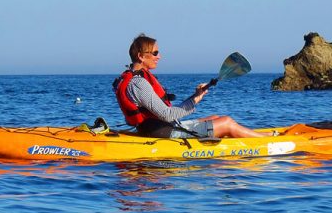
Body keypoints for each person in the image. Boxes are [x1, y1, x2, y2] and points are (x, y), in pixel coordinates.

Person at [113, 34, 268, 139]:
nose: (159, 56)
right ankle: (268, 141)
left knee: (215, 118)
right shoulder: (139, 83)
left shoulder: (134, 78)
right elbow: (167, 115)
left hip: (160, 128)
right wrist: (193, 102)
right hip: (162, 133)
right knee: (226, 122)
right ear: (141, 56)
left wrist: (196, 97)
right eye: (155, 53)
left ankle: (248, 136)